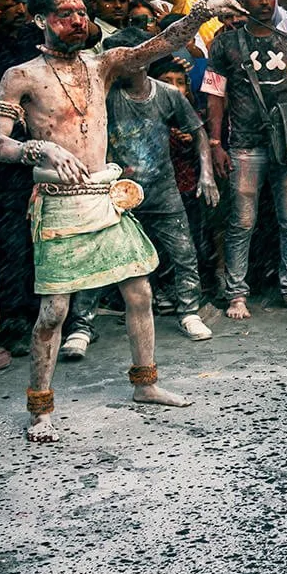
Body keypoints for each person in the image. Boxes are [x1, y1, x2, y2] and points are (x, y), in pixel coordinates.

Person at [0, 0, 241, 442]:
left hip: (103, 197)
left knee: (139, 292)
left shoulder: (102, 65)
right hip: (60, 204)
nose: (78, 20)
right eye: (66, 13)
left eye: (82, 12)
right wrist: (36, 149)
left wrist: (204, 10)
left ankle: (147, 384)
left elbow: (163, 43)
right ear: (41, 20)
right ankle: (40, 408)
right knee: (53, 313)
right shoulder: (22, 75)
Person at [62, 28, 219, 357]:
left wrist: (207, 174)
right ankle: (81, 326)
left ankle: (189, 311)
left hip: (162, 190)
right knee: (98, 258)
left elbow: (198, 131)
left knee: (184, 254)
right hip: (113, 194)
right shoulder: (102, 96)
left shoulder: (166, 94)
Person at [203, 0, 287, 320]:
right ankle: (237, 294)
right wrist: (215, 142)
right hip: (243, 146)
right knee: (241, 223)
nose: (265, 3)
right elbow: (214, 97)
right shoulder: (223, 44)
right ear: (242, 0)